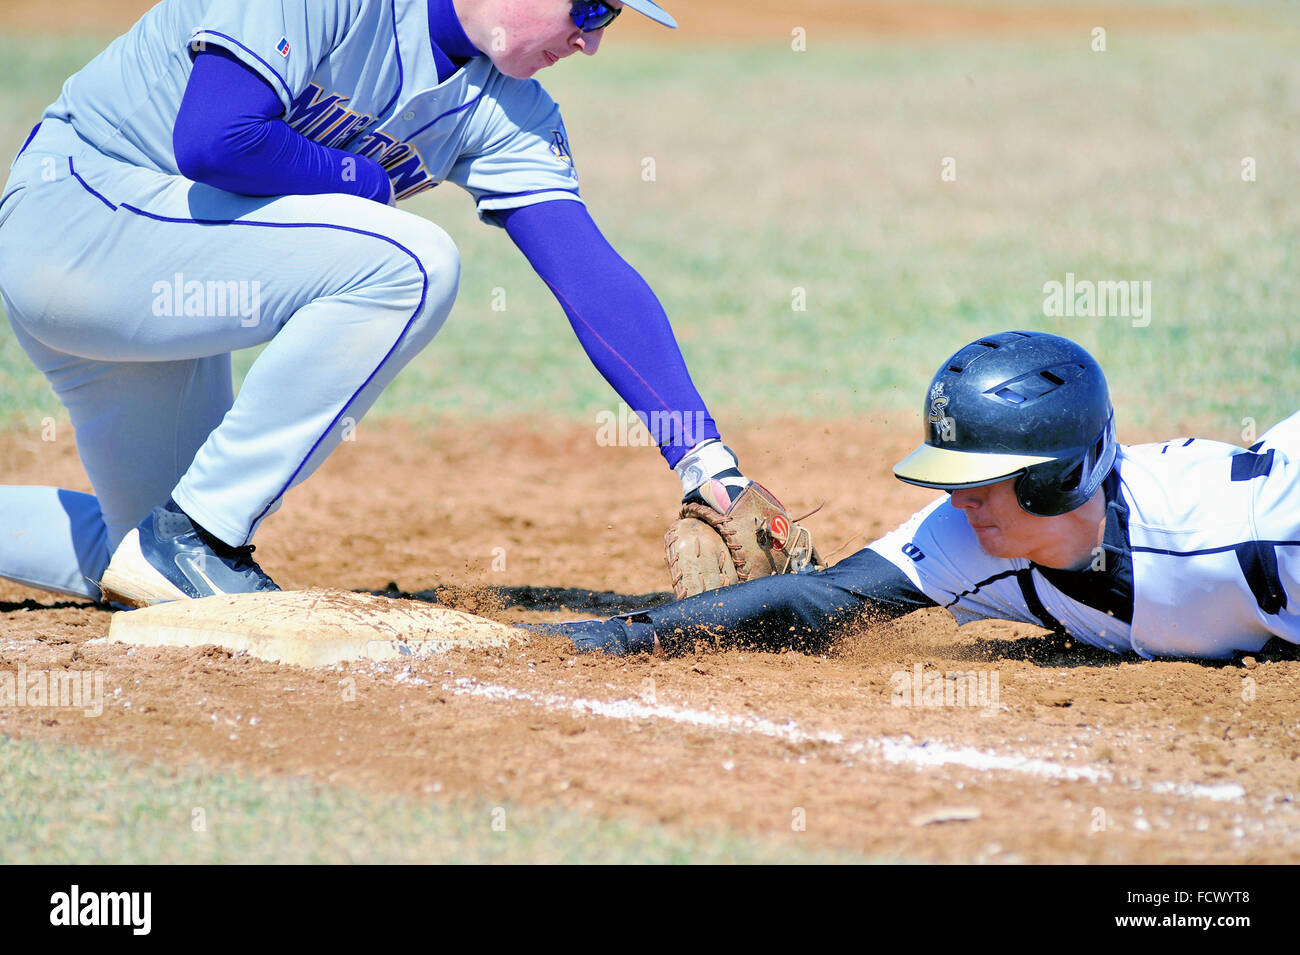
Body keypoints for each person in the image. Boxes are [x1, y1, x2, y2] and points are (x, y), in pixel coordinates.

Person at [0, 0, 764, 606]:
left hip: (154, 294)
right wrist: (359, 180)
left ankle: (176, 539)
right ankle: (200, 535)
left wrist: (707, 462)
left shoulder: (507, 112)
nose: (591, 41)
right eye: (589, 8)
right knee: (414, 260)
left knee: (142, 564)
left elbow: (589, 273)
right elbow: (215, 136)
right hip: (74, 218)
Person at [550, 330, 1300, 662]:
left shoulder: (1255, 538)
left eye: (978, 480)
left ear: (1054, 476)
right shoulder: (972, 535)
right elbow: (818, 601)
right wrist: (607, 638)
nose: (959, 501)